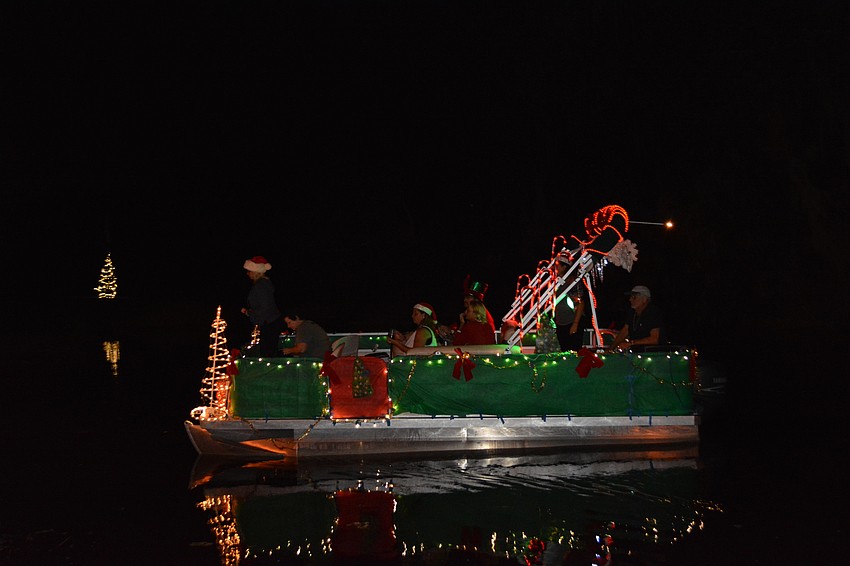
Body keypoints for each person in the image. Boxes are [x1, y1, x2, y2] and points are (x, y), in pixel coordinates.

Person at [240, 255, 285, 357]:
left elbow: (265, 307)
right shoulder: (263, 284)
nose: (247, 274)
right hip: (270, 322)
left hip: (269, 323)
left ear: (255, 272)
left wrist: (249, 312)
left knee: (267, 352)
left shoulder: (262, 285)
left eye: (249, 271)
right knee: (268, 350)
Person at [609, 285, 664, 351]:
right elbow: (624, 331)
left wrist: (631, 343)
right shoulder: (632, 313)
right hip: (636, 353)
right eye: (631, 297)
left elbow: (654, 339)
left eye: (634, 297)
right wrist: (610, 349)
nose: (630, 300)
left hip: (653, 353)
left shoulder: (652, 313)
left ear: (644, 300)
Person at [553, 252, 586, 351]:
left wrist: (575, 324)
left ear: (564, 267)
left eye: (557, 266)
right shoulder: (554, 283)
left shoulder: (572, 282)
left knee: (574, 351)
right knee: (563, 351)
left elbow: (580, 303)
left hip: (572, 322)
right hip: (560, 323)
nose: (554, 269)